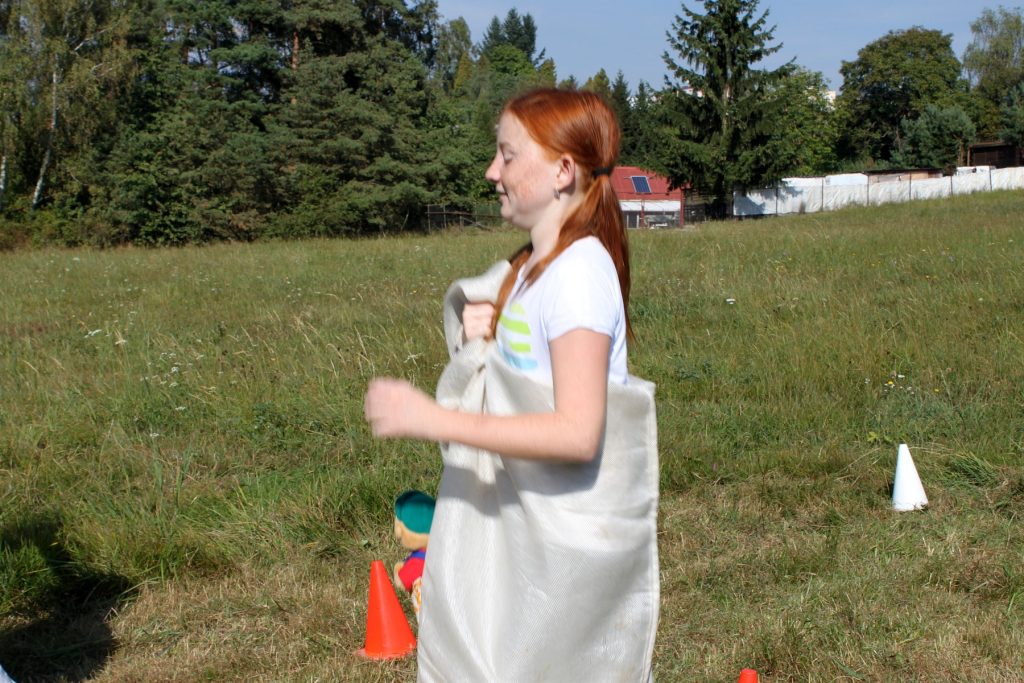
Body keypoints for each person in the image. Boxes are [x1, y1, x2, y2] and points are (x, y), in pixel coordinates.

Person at [364, 88, 659, 682]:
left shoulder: (579, 274)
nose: (491, 171)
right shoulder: (529, 268)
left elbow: (577, 433)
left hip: (564, 541)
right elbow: (529, 374)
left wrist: (432, 419)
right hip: (524, 531)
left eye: (508, 154)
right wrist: (488, 335)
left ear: (562, 171)